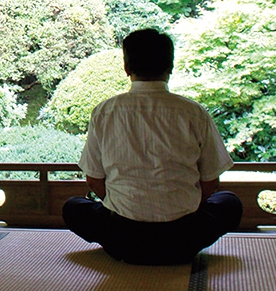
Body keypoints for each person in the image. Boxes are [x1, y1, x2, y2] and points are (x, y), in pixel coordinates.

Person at [62, 28, 243, 265]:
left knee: (73, 207)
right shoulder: (193, 112)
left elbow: (94, 180)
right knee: (229, 203)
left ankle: (130, 246)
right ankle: (174, 247)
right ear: (170, 67)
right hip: (183, 238)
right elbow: (211, 181)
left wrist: (122, 208)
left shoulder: (105, 111)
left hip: (122, 238)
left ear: (127, 68)